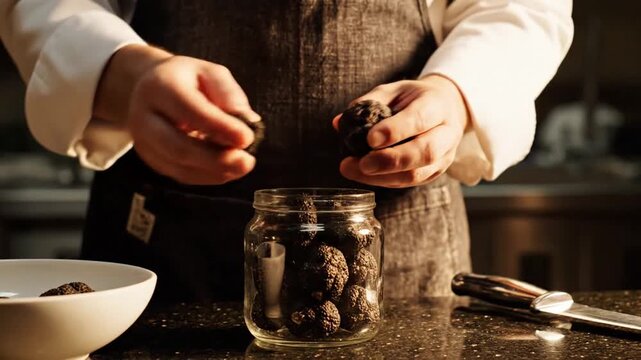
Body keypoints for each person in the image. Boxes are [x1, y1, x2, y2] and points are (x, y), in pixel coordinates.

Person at [0, 0, 573, 302]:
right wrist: (122, 73)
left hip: (400, 244)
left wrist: (459, 92)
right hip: (162, 247)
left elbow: (523, 7)